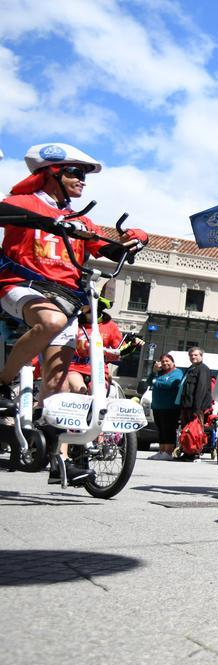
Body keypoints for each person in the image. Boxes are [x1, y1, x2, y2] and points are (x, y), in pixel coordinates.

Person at [0, 143, 148, 484]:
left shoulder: (81, 220)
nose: (82, 181)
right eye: (75, 173)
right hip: (21, 286)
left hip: (64, 297)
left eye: (84, 176)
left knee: (57, 384)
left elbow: (107, 249)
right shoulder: (24, 202)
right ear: (51, 174)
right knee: (49, 321)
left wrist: (132, 240)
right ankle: (2, 382)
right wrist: (51, 223)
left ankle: (58, 460)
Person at [64, 296, 141, 394]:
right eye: (85, 309)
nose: (86, 312)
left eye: (91, 310)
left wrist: (132, 345)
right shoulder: (74, 323)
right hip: (74, 366)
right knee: (79, 389)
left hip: (99, 367)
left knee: (98, 392)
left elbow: (119, 350)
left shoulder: (110, 326)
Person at [175, 346, 213, 461]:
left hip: (195, 407)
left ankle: (194, 453)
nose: (193, 357)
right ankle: (187, 453)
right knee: (187, 431)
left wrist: (197, 408)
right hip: (187, 405)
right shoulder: (191, 368)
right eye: (191, 355)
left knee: (195, 432)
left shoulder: (203, 369)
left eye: (196, 355)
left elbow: (201, 388)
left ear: (201, 356)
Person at [148, 355, 184, 460]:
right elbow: (149, 382)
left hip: (170, 407)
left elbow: (169, 384)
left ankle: (168, 452)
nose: (165, 363)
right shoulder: (159, 373)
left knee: (168, 429)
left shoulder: (177, 373)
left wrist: (155, 382)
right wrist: (154, 372)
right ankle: (162, 451)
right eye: (162, 361)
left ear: (172, 362)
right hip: (157, 406)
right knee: (161, 429)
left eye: (167, 361)